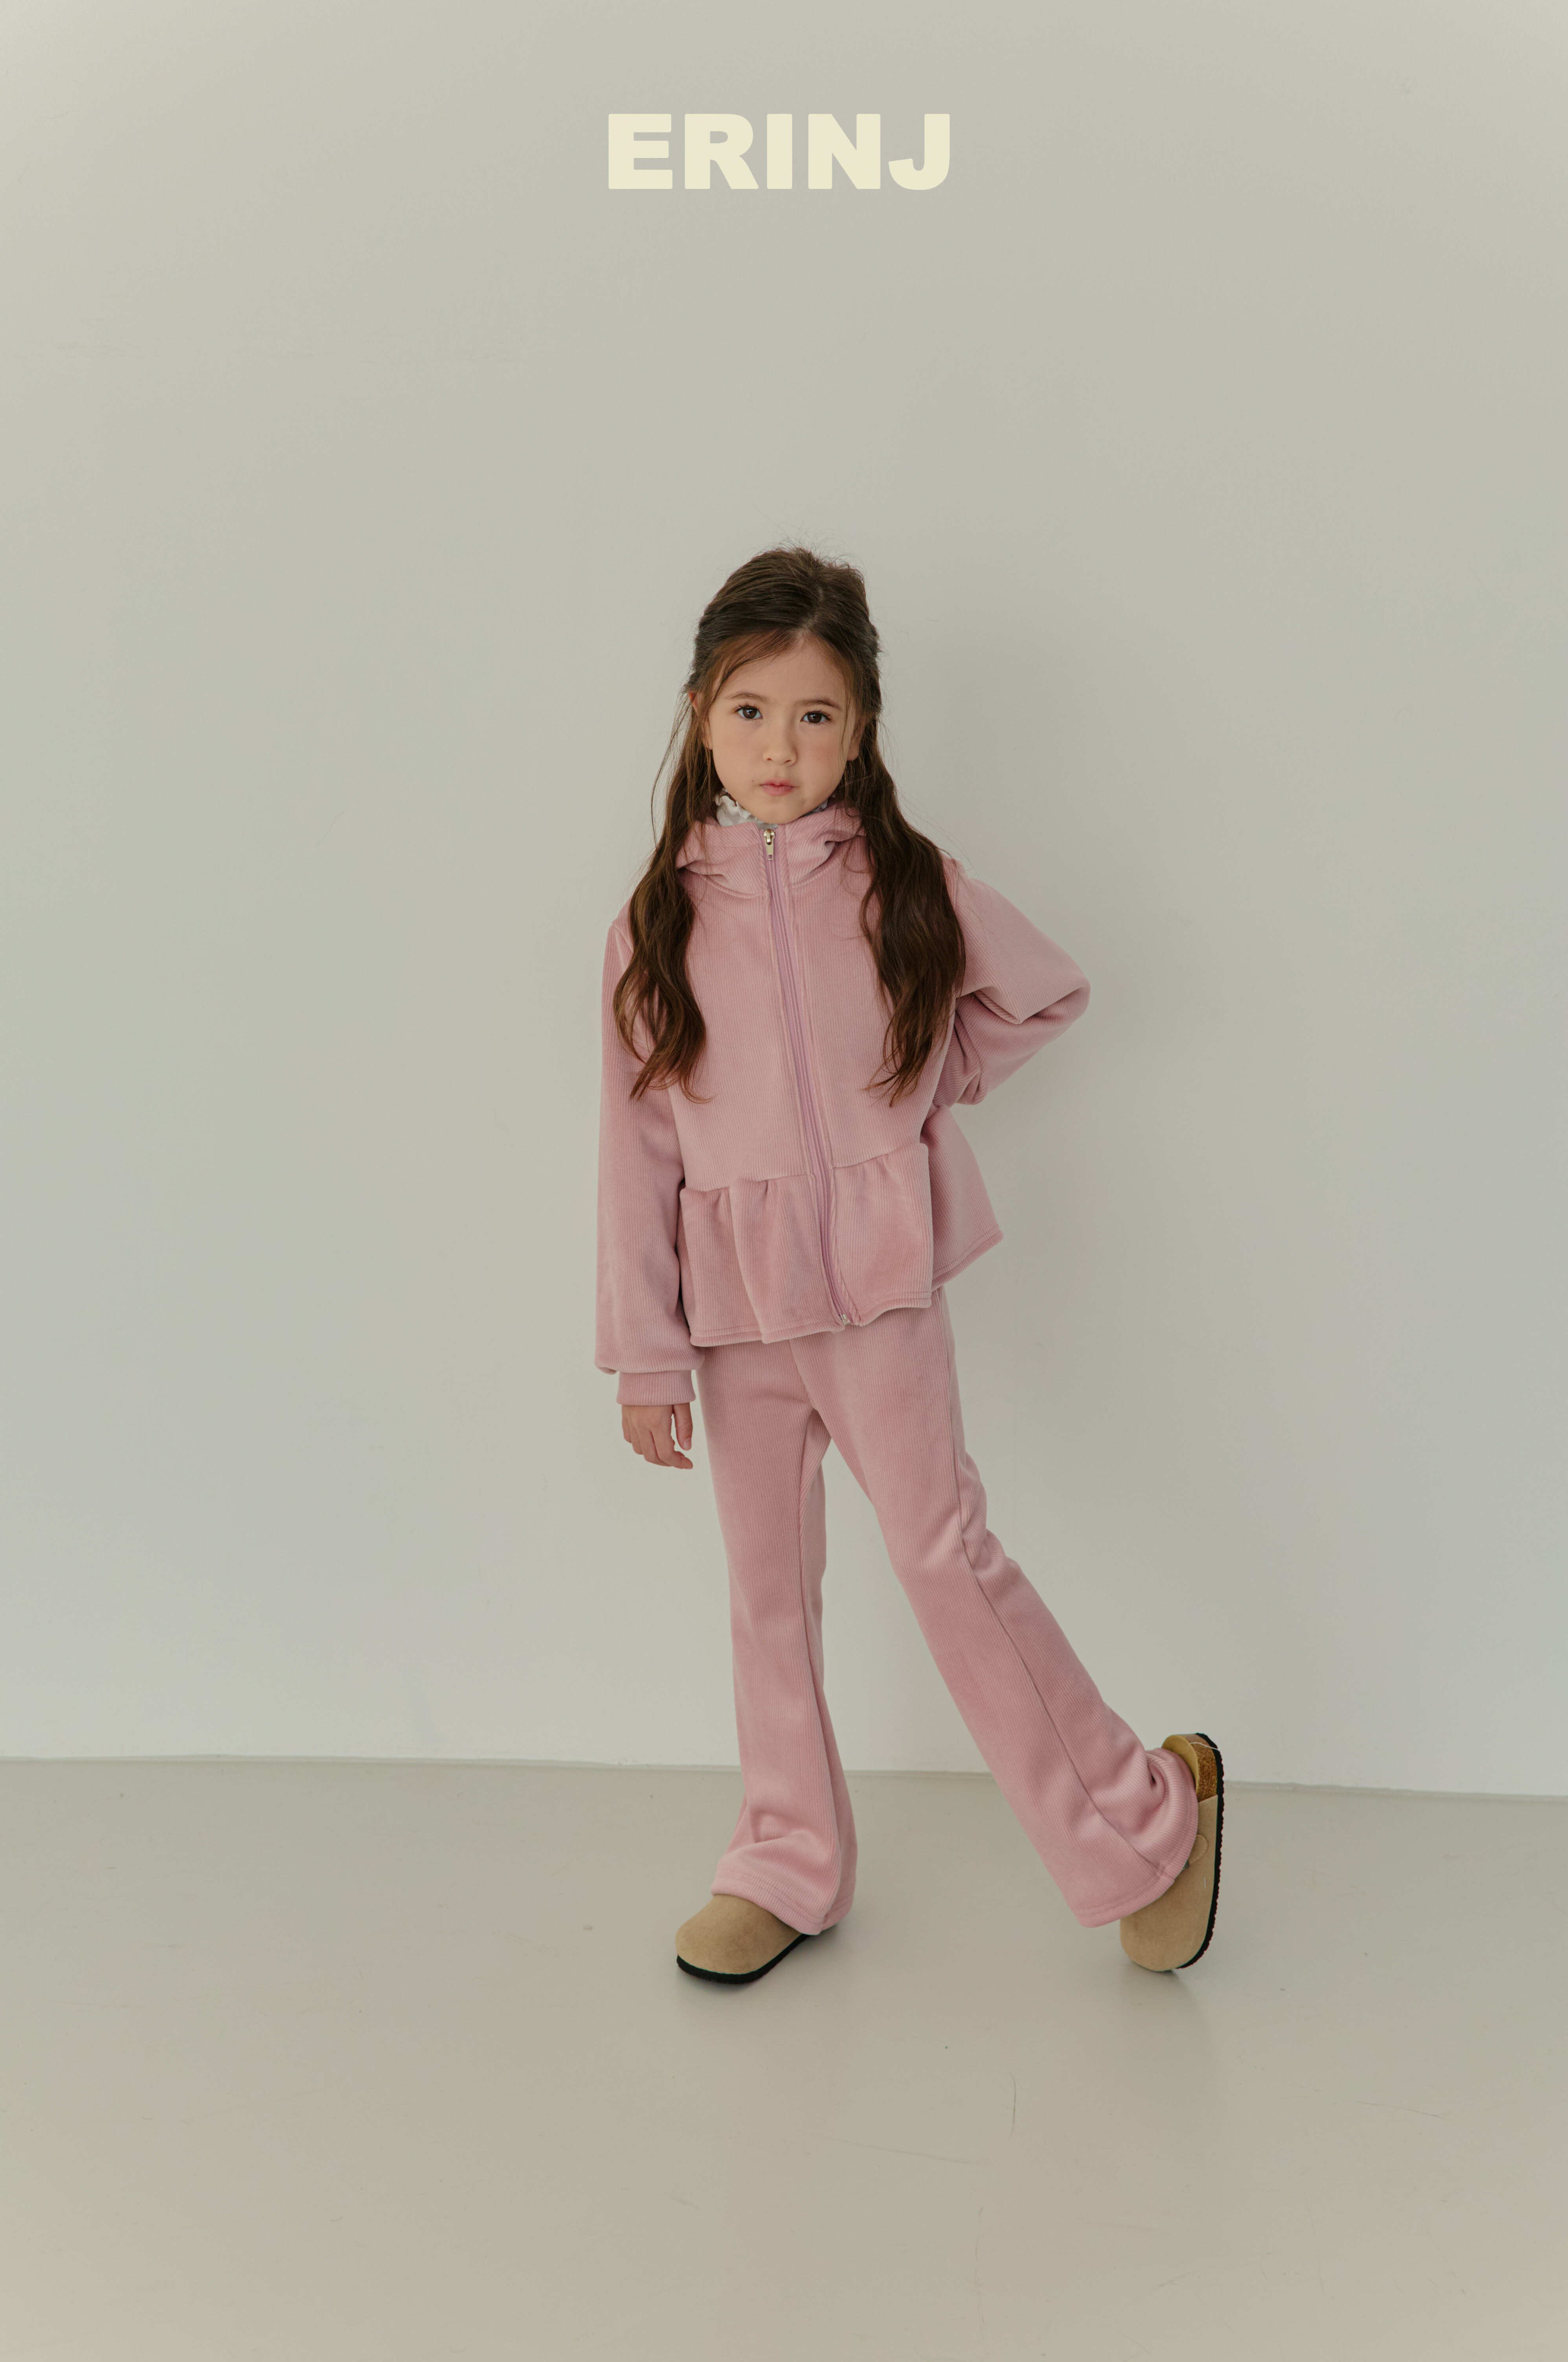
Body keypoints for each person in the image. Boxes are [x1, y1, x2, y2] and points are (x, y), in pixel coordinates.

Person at [595, 544, 1224, 1984]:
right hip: (734, 1310)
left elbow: (1046, 990)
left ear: (860, 728)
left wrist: (926, 1089)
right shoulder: (654, 925)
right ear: (701, 716)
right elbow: (632, 1152)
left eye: (815, 715)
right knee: (767, 1587)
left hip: (880, 1289)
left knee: (943, 1554)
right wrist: (643, 1353)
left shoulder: (904, 884)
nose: (780, 746)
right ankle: (784, 1859)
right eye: (751, 711)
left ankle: (1143, 1823)